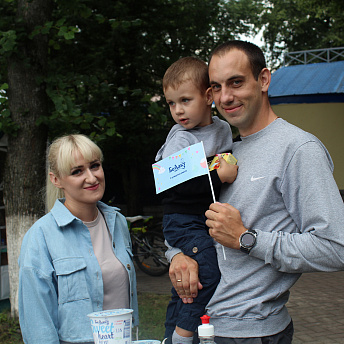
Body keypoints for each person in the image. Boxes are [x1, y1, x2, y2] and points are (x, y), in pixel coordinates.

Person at [167, 40, 344, 343]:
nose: (226, 96)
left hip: (248, 334)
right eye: (216, 86)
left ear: (263, 79)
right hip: (196, 323)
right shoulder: (225, 149)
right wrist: (176, 257)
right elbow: (190, 220)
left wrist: (246, 239)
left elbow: (335, 247)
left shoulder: (298, 149)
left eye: (236, 82)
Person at [18, 134, 139, 344]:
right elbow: (37, 323)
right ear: (56, 180)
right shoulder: (40, 237)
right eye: (77, 171)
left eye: (95, 166)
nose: (92, 178)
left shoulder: (117, 222)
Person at [156, 56, 238, 344]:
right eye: (171, 103)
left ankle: (168, 334)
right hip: (182, 221)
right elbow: (174, 187)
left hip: (203, 220)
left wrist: (221, 162)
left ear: (207, 97)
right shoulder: (180, 139)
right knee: (208, 272)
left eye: (185, 100)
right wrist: (220, 176)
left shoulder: (223, 129)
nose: (178, 110)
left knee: (183, 284)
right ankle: (183, 334)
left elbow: (224, 156)